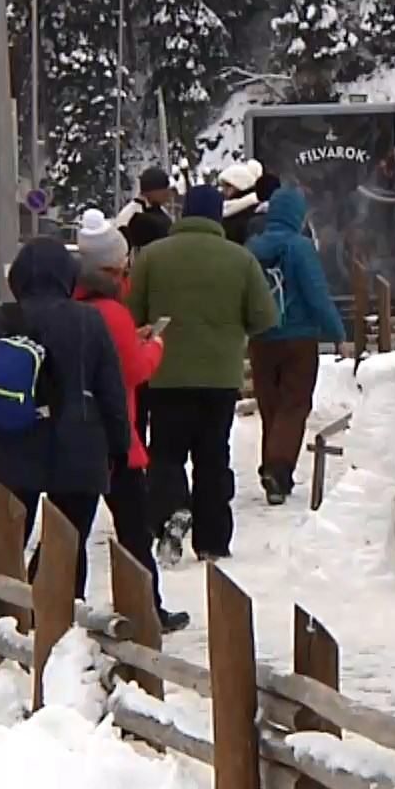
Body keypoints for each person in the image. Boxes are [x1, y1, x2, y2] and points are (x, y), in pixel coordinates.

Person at [0, 238, 130, 598]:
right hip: (80, 445)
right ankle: (60, 625)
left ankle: (7, 617)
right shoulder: (88, 319)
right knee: (67, 542)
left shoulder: (4, 318)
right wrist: (118, 447)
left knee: (8, 542)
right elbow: (111, 390)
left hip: (13, 442)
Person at [128, 184, 277, 565]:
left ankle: (170, 514)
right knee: (213, 457)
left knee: (165, 454)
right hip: (219, 378)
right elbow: (265, 318)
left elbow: (133, 314)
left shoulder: (152, 257)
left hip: (164, 376)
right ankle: (212, 539)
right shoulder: (240, 260)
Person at [73, 212, 187, 631]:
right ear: (113, 269)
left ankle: (54, 600)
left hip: (80, 436)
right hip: (118, 438)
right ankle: (147, 609)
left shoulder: (75, 307)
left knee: (70, 528)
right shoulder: (111, 313)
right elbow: (134, 371)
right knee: (134, 532)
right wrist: (154, 346)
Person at [247, 186, 345, 504]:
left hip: (261, 339)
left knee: (270, 407)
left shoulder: (251, 248)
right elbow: (316, 294)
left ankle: (274, 469)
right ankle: (278, 470)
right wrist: (337, 333)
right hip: (298, 338)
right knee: (294, 405)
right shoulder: (300, 247)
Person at [115, 167, 175, 253]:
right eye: (163, 189)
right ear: (150, 191)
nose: (167, 193)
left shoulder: (162, 210)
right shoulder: (130, 214)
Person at [219, 161, 267, 246]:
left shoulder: (254, 212)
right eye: (222, 185)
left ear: (241, 185)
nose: (223, 189)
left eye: (228, 185)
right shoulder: (229, 209)